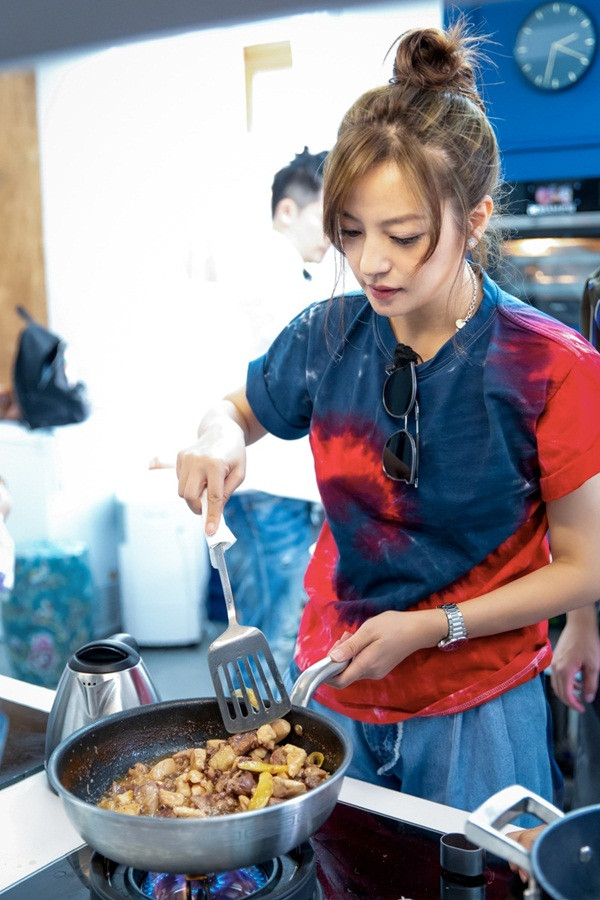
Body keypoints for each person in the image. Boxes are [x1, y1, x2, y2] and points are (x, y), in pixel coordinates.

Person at [177, 23, 600, 813]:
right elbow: (234, 410)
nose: (371, 262)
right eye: (350, 232)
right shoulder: (326, 335)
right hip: (332, 683)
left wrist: (433, 626)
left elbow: (586, 566)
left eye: (403, 237)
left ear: (476, 219)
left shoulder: (550, 366)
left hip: (478, 705)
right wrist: (216, 438)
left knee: (476, 871)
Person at [203, 148, 331, 670]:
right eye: (326, 215)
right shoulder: (267, 264)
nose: (334, 233)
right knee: (270, 641)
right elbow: (303, 362)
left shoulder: (291, 273)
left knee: (280, 635)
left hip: (280, 489)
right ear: (287, 211)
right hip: (266, 489)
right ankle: (252, 727)